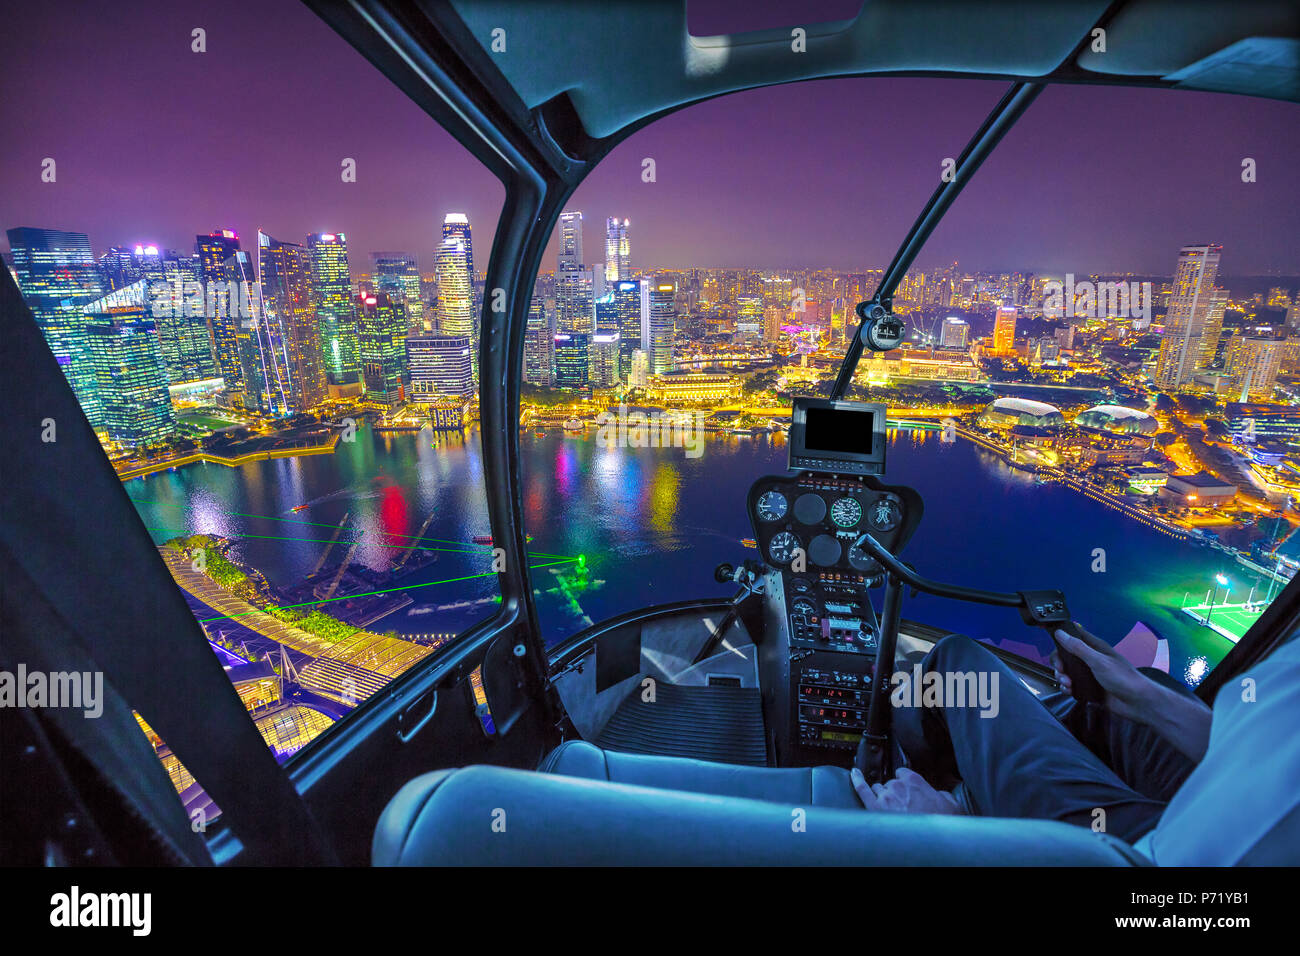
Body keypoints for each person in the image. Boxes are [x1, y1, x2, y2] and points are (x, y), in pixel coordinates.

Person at [850, 625, 1300, 865]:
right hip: (1225, 790)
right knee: (1135, 692)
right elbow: (1264, 750)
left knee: (960, 666)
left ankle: (943, 786)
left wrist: (949, 841)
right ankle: (993, 783)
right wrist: (1143, 700)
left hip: (1151, 854)